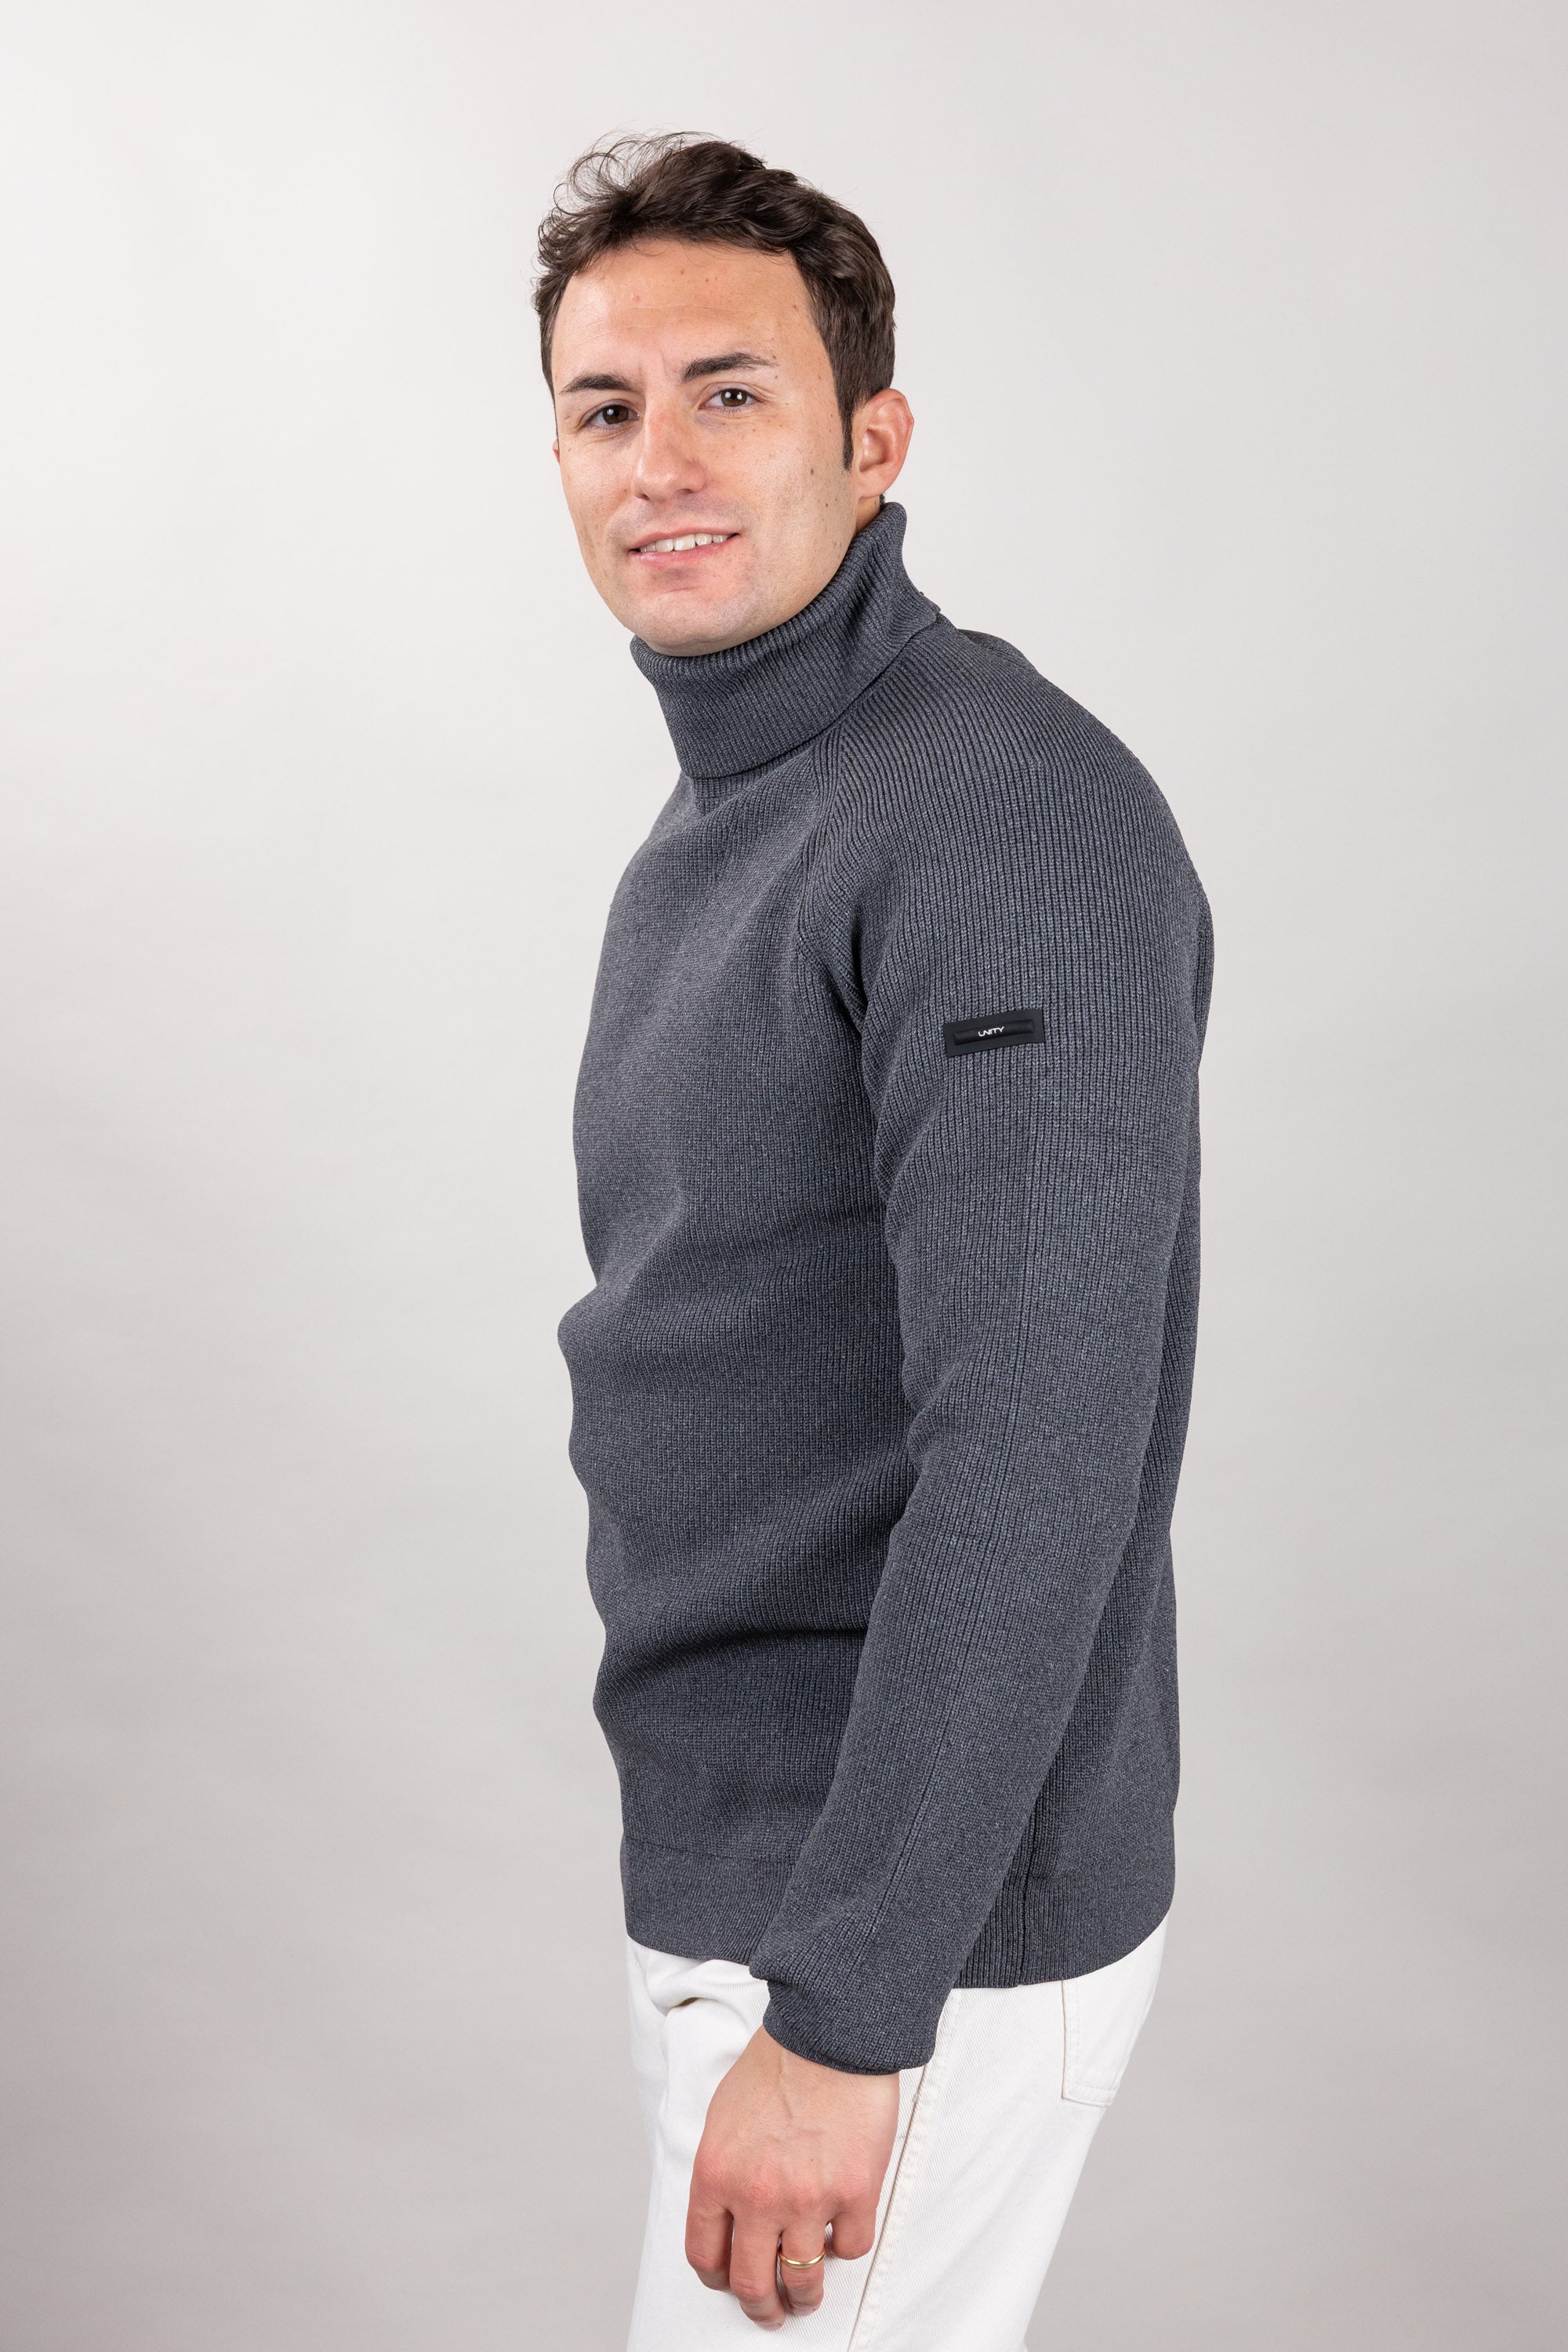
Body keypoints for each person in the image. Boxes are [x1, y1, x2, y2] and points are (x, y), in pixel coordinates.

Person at [542, 134, 1212, 2350]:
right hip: (779, 1878)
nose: (659, 463)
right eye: (606, 407)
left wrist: (844, 2013)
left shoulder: (992, 818)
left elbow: (1035, 1456)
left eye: (730, 392)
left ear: (874, 439)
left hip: (897, 1938)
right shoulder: (762, 789)